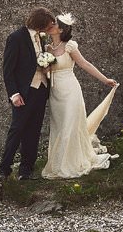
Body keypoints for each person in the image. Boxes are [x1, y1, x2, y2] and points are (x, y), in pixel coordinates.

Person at [41, 13, 118, 179]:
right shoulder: (47, 49)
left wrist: (105, 79)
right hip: (55, 93)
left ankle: (71, 164)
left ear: (60, 29)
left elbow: (85, 64)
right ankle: (58, 162)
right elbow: (46, 73)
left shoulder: (69, 46)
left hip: (70, 90)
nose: (50, 26)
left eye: (53, 24)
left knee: (70, 124)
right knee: (60, 126)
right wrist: (45, 67)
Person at [0, 7, 56, 180]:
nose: (50, 27)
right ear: (40, 23)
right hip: (24, 92)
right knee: (17, 129)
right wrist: (14, 94)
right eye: (48, 24)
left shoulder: (41, 37)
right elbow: (8, 70)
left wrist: (47, 67)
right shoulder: (16, 38)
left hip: (41, 90)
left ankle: (26, 170)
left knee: (34, 131)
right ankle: (4, 169)